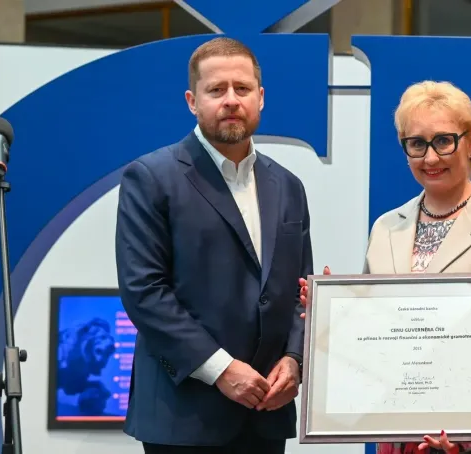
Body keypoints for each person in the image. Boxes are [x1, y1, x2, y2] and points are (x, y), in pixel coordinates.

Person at [299, 80, 471, 454]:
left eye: (444, 141)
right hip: (396, 432)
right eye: (417, 144)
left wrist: (466, 437)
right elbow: (371, 341)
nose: (430, 158)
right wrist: (333, 316)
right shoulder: (386, 227)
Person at [115, 36, 313, 454]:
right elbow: (144, 291)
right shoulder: (150, 177)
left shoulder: (289, 186)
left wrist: (295, 359)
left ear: (261, 97)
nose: (231, 100)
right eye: (216, 90)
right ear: (192, 101)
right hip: (183, 416)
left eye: (242, 89)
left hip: (266, 412)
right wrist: (221, 369)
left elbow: (302, 289)